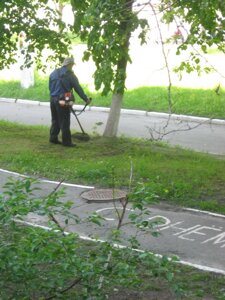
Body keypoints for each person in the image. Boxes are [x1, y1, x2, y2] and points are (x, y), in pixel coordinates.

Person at [49, 57, 91, 147]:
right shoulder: (70, 75)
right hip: (63, 100)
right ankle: (67, 142)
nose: (72, 67)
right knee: (65, 121)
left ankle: (53, 138)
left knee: (55, 119)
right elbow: (78, 88)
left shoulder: (53, 73)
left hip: (52, 99)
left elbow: (50, 87)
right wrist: (86, 99)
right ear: (70, 65)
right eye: (72, 65)